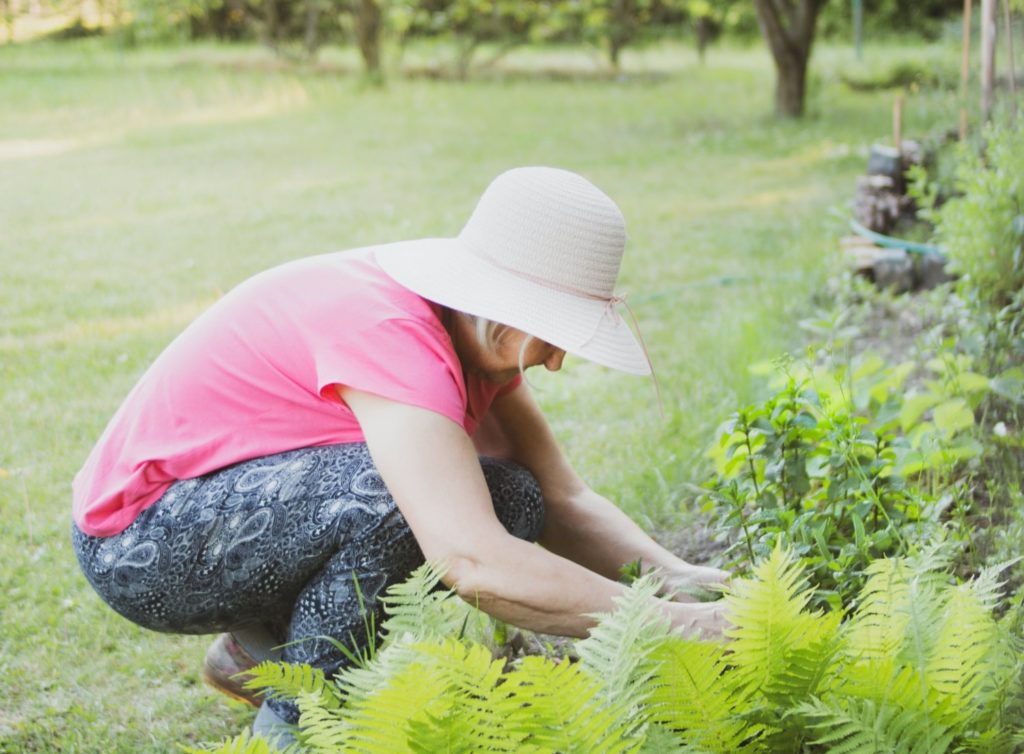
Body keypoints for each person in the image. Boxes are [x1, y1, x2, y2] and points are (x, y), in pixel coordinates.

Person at [71, 166, 730, 743]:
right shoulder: (393, 337)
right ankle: (301, 725)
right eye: (554, 333)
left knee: (514, 497)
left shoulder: (473, 340)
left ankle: (255, 654)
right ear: (501, 307)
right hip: (139, 543)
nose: (557, 361)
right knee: (398, 505)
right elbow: (472, 560)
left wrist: (696, 586)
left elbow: (564, 499)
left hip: (222, 516)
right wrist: (680, 625)